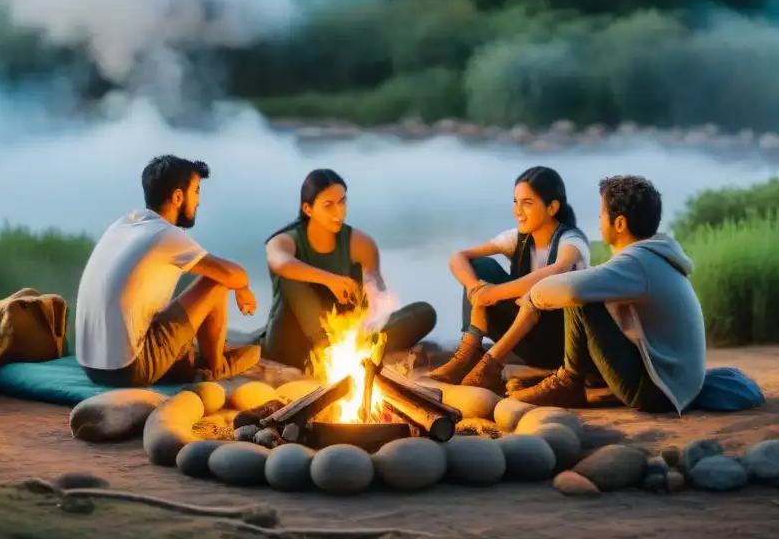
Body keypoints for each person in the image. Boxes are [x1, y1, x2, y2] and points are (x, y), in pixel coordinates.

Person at [509, 175, 706, 414]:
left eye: (602, 214)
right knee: (589, 289)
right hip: (675, 381)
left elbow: (571, 288)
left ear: (620, 223)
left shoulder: (638, 262)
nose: (599, 219)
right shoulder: (652, 256)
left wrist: (531, 297)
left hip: (658, 391)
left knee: (582, 295)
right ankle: (574, 377)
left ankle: (568, 382)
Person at [75, 155, 261, 387]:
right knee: (217, 281)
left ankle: (198, 358)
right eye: (197, 191)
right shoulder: (166, 235)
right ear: (177, 197)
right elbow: (235, 275)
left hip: (91, 366)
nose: (198, 201)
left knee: (214, 281)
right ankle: (216, 367)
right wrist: (242, 288)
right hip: (128, 369)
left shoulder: (123, 224)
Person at [427, 166, 590, 394]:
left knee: (535, 295)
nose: (518, 211)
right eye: (515, 201)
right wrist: (477, 288)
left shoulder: (572, 240)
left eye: (527, 203)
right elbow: (458, 257)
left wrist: (494, 293)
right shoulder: (518, 238)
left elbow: (558, 269)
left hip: (560, 343)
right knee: (479, 267)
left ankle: (491, 364)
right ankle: (470, 352)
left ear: (552, 207)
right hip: (526, 338)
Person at [262, 168, 438, 371]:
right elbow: (280, 263)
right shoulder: (284, 241)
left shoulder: (360, 244)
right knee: (291, 276)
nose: (339, 211)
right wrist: (330, 280)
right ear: (308, 209)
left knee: (424, 312)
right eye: (328, 205)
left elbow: (378, 297)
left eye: (342, 201)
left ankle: (354, 355)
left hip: (346, 337)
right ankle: (324, 354)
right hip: (293, 341)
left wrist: (367, 310)